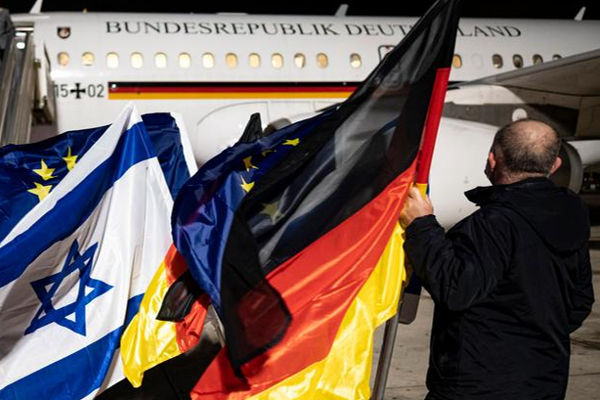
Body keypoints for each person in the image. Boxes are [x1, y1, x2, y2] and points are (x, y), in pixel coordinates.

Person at [399, 119, 594, 400]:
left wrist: (422, 226)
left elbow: (454, 289)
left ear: (492, 160)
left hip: (477, 385)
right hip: (544, 381)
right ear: (555, 165)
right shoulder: (573, 214)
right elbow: (580, 302)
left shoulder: (493, 223)